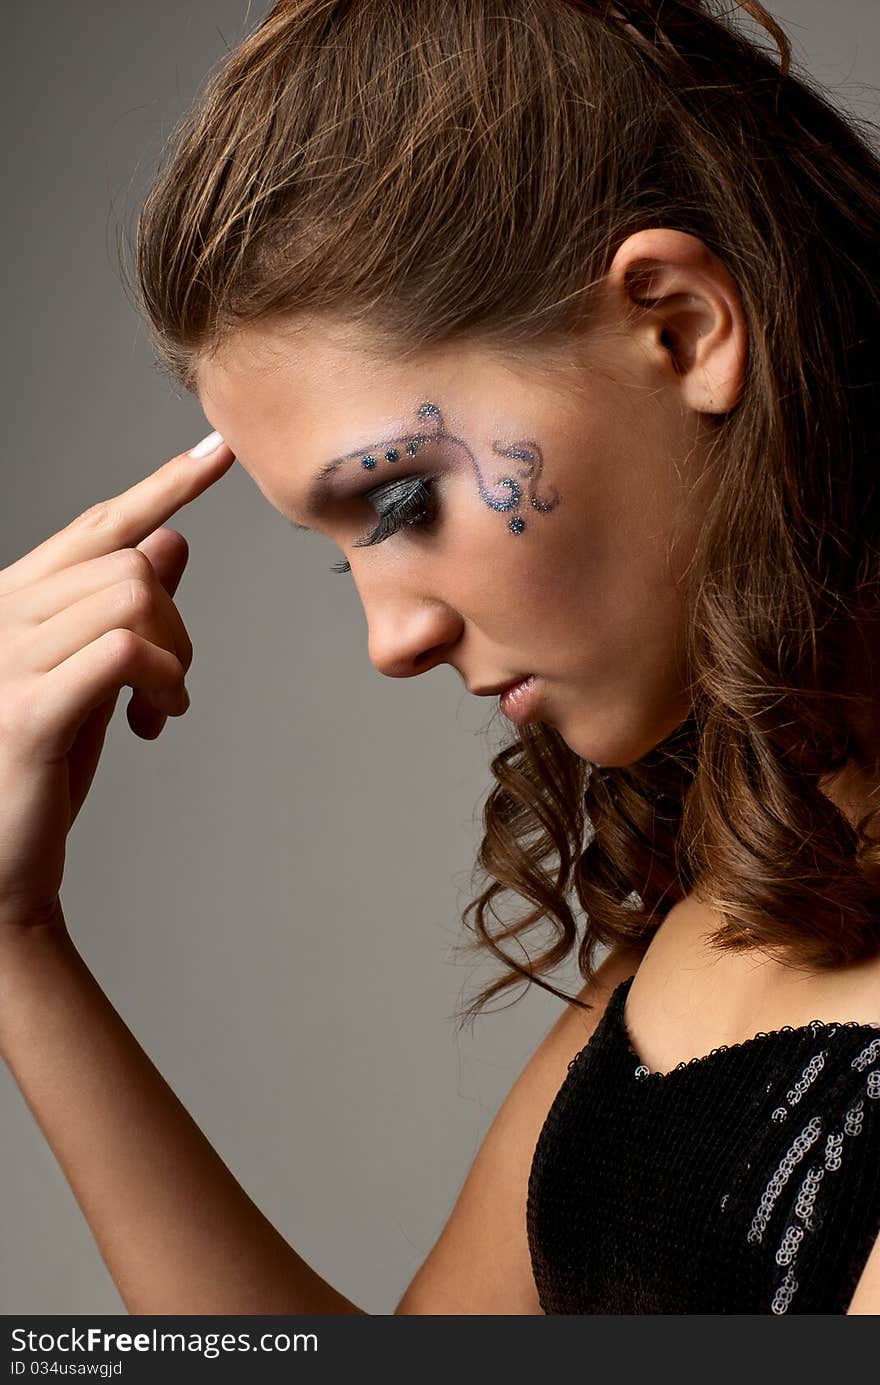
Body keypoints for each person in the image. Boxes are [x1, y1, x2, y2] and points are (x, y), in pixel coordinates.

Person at [1, 0, 879, 1315]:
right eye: (342, 553)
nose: (390, 637)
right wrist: (16, 935)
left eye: (403, 501)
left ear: (683, 328)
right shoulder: (732, 905)